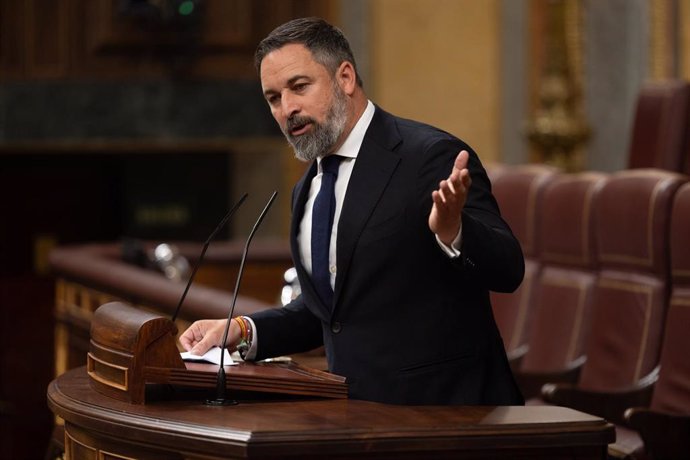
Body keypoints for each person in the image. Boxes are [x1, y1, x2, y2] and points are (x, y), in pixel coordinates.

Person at [180, 17, 525, 405]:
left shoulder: (429, 156)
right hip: (358, 422)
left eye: (298, 87)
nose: (286, 109)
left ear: (345, 77)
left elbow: (509, 269)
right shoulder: (307, 188)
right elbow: (333, 316)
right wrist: (242, 330)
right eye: (273, 98)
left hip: (449, 419)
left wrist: (453, 231)